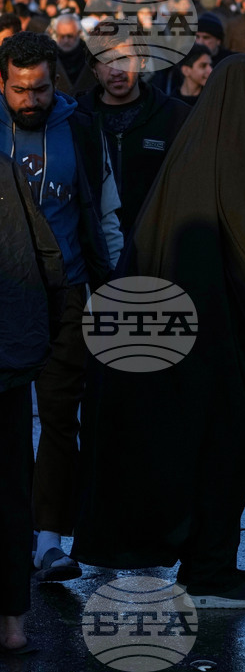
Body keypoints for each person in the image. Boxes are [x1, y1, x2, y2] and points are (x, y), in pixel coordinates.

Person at [72, 55, 245, 609]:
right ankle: (208, 574)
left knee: (200, 447)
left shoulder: (199, 149)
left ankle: (211, 564)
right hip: (213, 343)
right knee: (222, 446)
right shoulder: (232, 153)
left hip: (184, 339)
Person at [0, 31, 121, 583]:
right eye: (20, 90)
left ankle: (49, 538)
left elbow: (107, 209)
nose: (30, 101)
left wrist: (114, 280)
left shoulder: (80, 127)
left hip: (68, 291)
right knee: (5, 422)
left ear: (56, 83)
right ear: (2, 84)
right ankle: (14, 532)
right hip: (4, 294)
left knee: (58, 416)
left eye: (41, 89)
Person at [0, 152, 65, 656]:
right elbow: (45, 253)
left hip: (9, 354)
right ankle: (13, 623)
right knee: (10, 486)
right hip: (9, 355)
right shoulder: (4, 167)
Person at [77, 42, 191, 240]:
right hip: (95, 250)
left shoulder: (176, 116)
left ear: (142, 62)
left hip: (156, 246)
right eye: (106, 61)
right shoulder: (77, 118)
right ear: (94, 69)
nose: (116, 71)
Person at [50, 13, 95, 96]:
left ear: (79, 33)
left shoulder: (90, 56)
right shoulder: (50, 57)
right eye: (62, 36)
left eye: (70, 36)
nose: (66, 40)